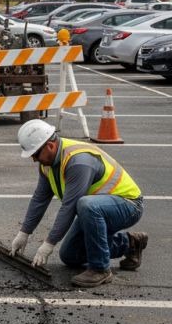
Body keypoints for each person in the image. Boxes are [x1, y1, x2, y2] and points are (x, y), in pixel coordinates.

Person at [10, 119, 147, 288]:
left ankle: (100, 269)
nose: (34, 159)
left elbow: (69, 207)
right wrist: (24, 233)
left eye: (35, 154)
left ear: (50, 146)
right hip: (96, 210)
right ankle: (130, 243)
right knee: (70, 255)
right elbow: (40, 199)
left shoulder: (78, 161)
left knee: (86, 204)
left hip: (128, 205)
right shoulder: (47, 164)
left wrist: (48, 244)